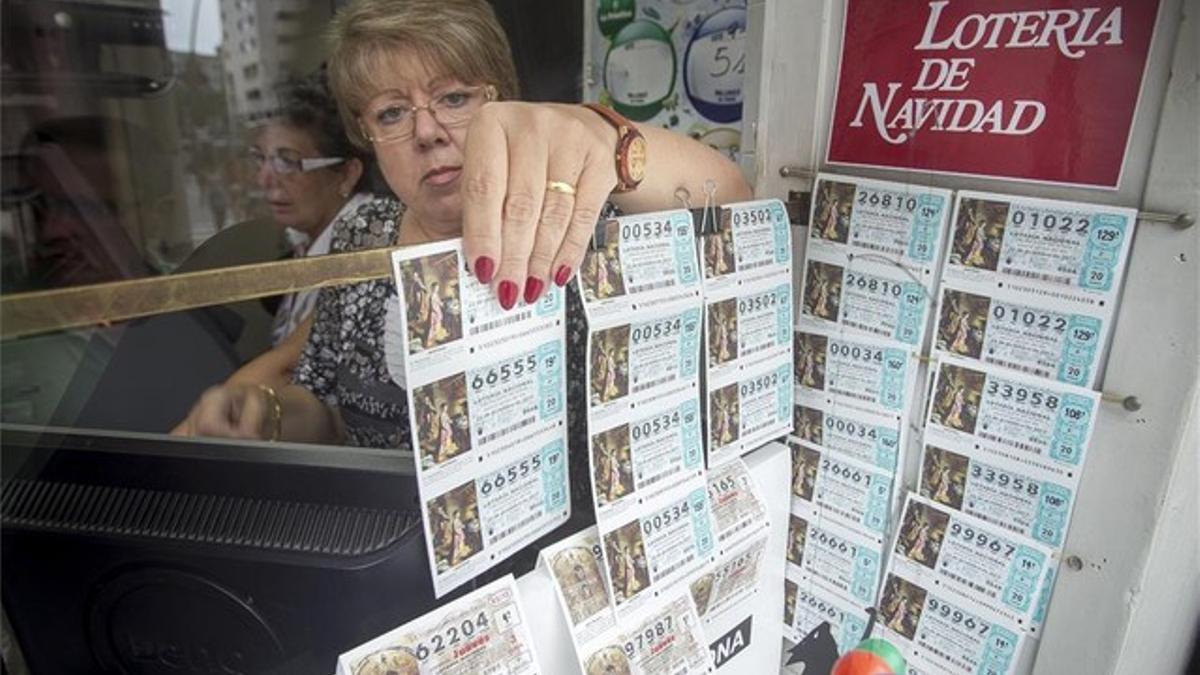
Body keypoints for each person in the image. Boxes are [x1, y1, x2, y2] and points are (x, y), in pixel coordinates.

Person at [178, 0, 750, 448]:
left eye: (453, 98)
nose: (426, 132)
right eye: (392, 112)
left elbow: (731, 201)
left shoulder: (583, 220)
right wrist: (269, 418)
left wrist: (611, 140)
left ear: (502, 104)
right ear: (366, 135)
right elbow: (330, 417)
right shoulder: (362, 238)